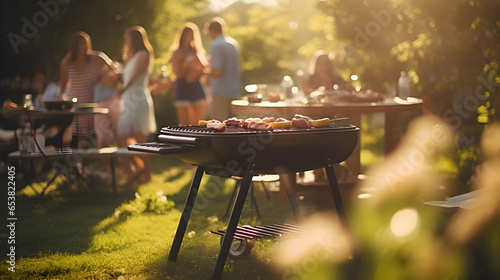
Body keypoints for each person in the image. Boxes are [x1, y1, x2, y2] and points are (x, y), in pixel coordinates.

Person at [59, 31, 115, 148]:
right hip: (78, 105)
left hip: (96, 103)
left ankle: (103, 163)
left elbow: (114, 71)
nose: (85, 46)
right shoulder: (66, 62)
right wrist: (60, 102)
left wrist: (106, 78)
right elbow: (63, 85)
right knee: (80, 136)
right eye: (81, 44)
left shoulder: (97, 58)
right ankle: (84, 164)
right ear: (74, 46)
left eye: (86, 43)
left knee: (101, 135)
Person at [116, 26, 156, 184]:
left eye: (128, 38)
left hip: (137, 98)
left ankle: (144, 172)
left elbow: (134, 76)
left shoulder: (143, 54)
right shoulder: (130, 55)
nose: (126, 41)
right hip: (128, 98)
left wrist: (122, 89)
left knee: (135, 136)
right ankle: (137, 169)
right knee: (130, 136)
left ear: (134, 38)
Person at [169, 22, 209, 125]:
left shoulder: (196, 52)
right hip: (182, 88)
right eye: (188, 34)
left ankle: (199, 141)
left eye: (192, 35)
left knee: (199, 124)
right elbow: (177, 75)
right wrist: (186, 66)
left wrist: (197, 70)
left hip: (197, 87)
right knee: (184, 125)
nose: (190, 37)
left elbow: (204, 69)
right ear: (182, 36)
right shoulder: (177, 52)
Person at [203, 17, 241, 120]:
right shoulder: (233, 43)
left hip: (220, 92)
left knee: (218, 125)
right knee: (233, 127)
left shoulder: (216, 45)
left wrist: (204, 71)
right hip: (234, 90)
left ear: (211, 31)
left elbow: (218, 71)